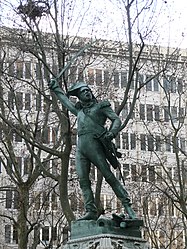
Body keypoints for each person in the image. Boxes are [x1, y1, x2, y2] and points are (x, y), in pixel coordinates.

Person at [49, 79, 137, 220]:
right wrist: (55, 88)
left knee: (109, 176)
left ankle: (127, 206)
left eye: (88, 90)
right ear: (79, 96)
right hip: (81, 149)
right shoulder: (79, 111)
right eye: (83, 92)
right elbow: (65, 101)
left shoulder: (101, 106)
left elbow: (116, 120)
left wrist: (112, 132)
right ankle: (90, 210)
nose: (87, 93)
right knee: (83, 180)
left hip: (95, 145)